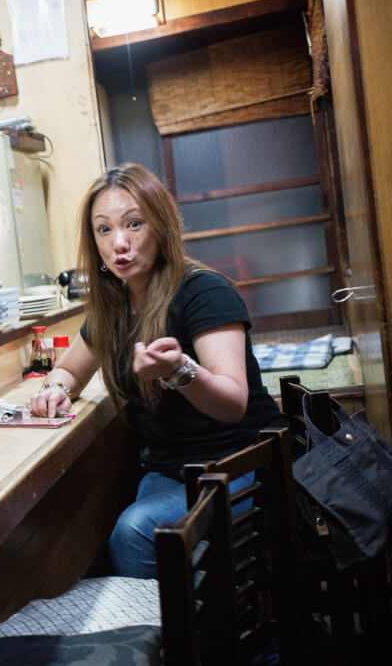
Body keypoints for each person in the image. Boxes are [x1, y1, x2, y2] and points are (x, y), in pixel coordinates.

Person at [28, 163, 285, 577]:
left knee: (133, 532)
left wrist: (180, 369)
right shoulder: (113, 306)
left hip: (239, 463)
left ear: (161, 227)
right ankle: (188, 624)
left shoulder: (203, 291)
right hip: (170, 469)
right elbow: (70, 370)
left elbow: (233, 402)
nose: (120, 244)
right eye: (104, 230)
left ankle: (202, 635)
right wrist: (55, 388)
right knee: (99, 537)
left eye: (134, 224)